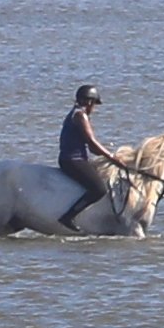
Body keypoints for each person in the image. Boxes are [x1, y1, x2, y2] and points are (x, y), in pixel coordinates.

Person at [54, 84, 113, 230]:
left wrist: (105, 156)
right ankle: (68, 217)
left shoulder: (76, 113)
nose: (94, 109)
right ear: (89, 102)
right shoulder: (81, 116)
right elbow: (92, 142)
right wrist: (112, 157)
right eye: (94, 105)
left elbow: (92, 147)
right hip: (73, 160)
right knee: (99, 189)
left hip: (74, 158)